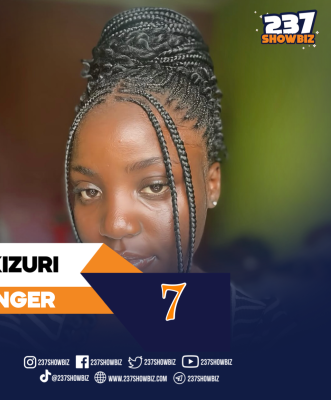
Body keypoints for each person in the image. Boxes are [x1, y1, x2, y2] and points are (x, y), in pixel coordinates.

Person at [65, 7, 295, 350]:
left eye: (154, 186)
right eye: (88, 191)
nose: (115, 225)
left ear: (212, 185)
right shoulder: (38, 322)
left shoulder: (266, 337)